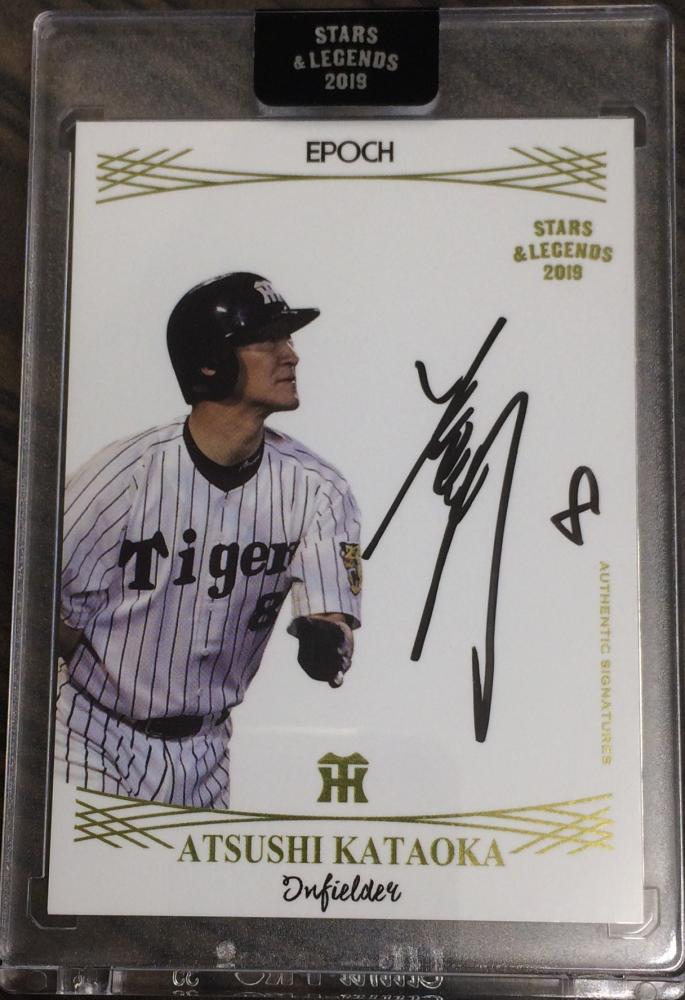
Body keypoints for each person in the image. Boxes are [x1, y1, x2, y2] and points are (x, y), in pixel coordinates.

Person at [56, 272, 362, 808]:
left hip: (207, 753)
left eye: (288, 339)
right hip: (89, 732)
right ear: (209, 363)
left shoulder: (318, 488)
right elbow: (44, 623)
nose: (291, 355)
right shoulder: (119, 477)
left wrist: (327, 637)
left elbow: (330, 614)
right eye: (267, 340)